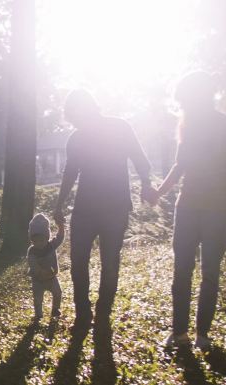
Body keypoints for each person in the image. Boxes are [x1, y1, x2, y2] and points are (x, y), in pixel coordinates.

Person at [147, 71, 226, 350]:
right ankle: (180, 335)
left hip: (216, 210)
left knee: (206, 272)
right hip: (187, 208)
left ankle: (201, 335)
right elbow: (180, 166)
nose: (182, 106)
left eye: (184, 100)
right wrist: (159, 192)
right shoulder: (187, 125)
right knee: (185, 271)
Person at [53, 89, 156, 328]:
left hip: (115, 207)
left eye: (75, 115)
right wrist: (59, 204)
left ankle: (102, 312)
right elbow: (70, 173)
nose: (75, 121)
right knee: (80, 261)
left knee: (109, 261)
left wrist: (147, 184)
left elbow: (140, 159)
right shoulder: (76, 138)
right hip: (85, 209)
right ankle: (84, 313)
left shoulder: (120, 128)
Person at [27, 213, 64, 320]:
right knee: (38, 298)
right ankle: (38, 314)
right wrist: (41, 272)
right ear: (32, 240)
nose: (39, 243)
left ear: (47, 237)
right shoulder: (32, 251)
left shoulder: (51, 245)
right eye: (35, 241)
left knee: (58, 293)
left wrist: (61, 227)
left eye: (42, 240)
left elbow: (60, 238)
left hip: (52, 278)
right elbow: (32, 263)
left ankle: (55, 310)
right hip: (37, 280)